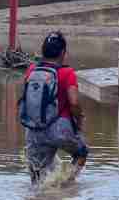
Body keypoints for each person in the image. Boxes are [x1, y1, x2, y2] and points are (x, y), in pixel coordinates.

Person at [23, 32, 88, 184]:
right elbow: (74, 102)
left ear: (43, 50)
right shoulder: (67, 73)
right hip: (60, 130)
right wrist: (79, 121)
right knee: (81, 153)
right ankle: (65, 187)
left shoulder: (31, 70)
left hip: (33, 130)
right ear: (63, 53)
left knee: (37, 176)